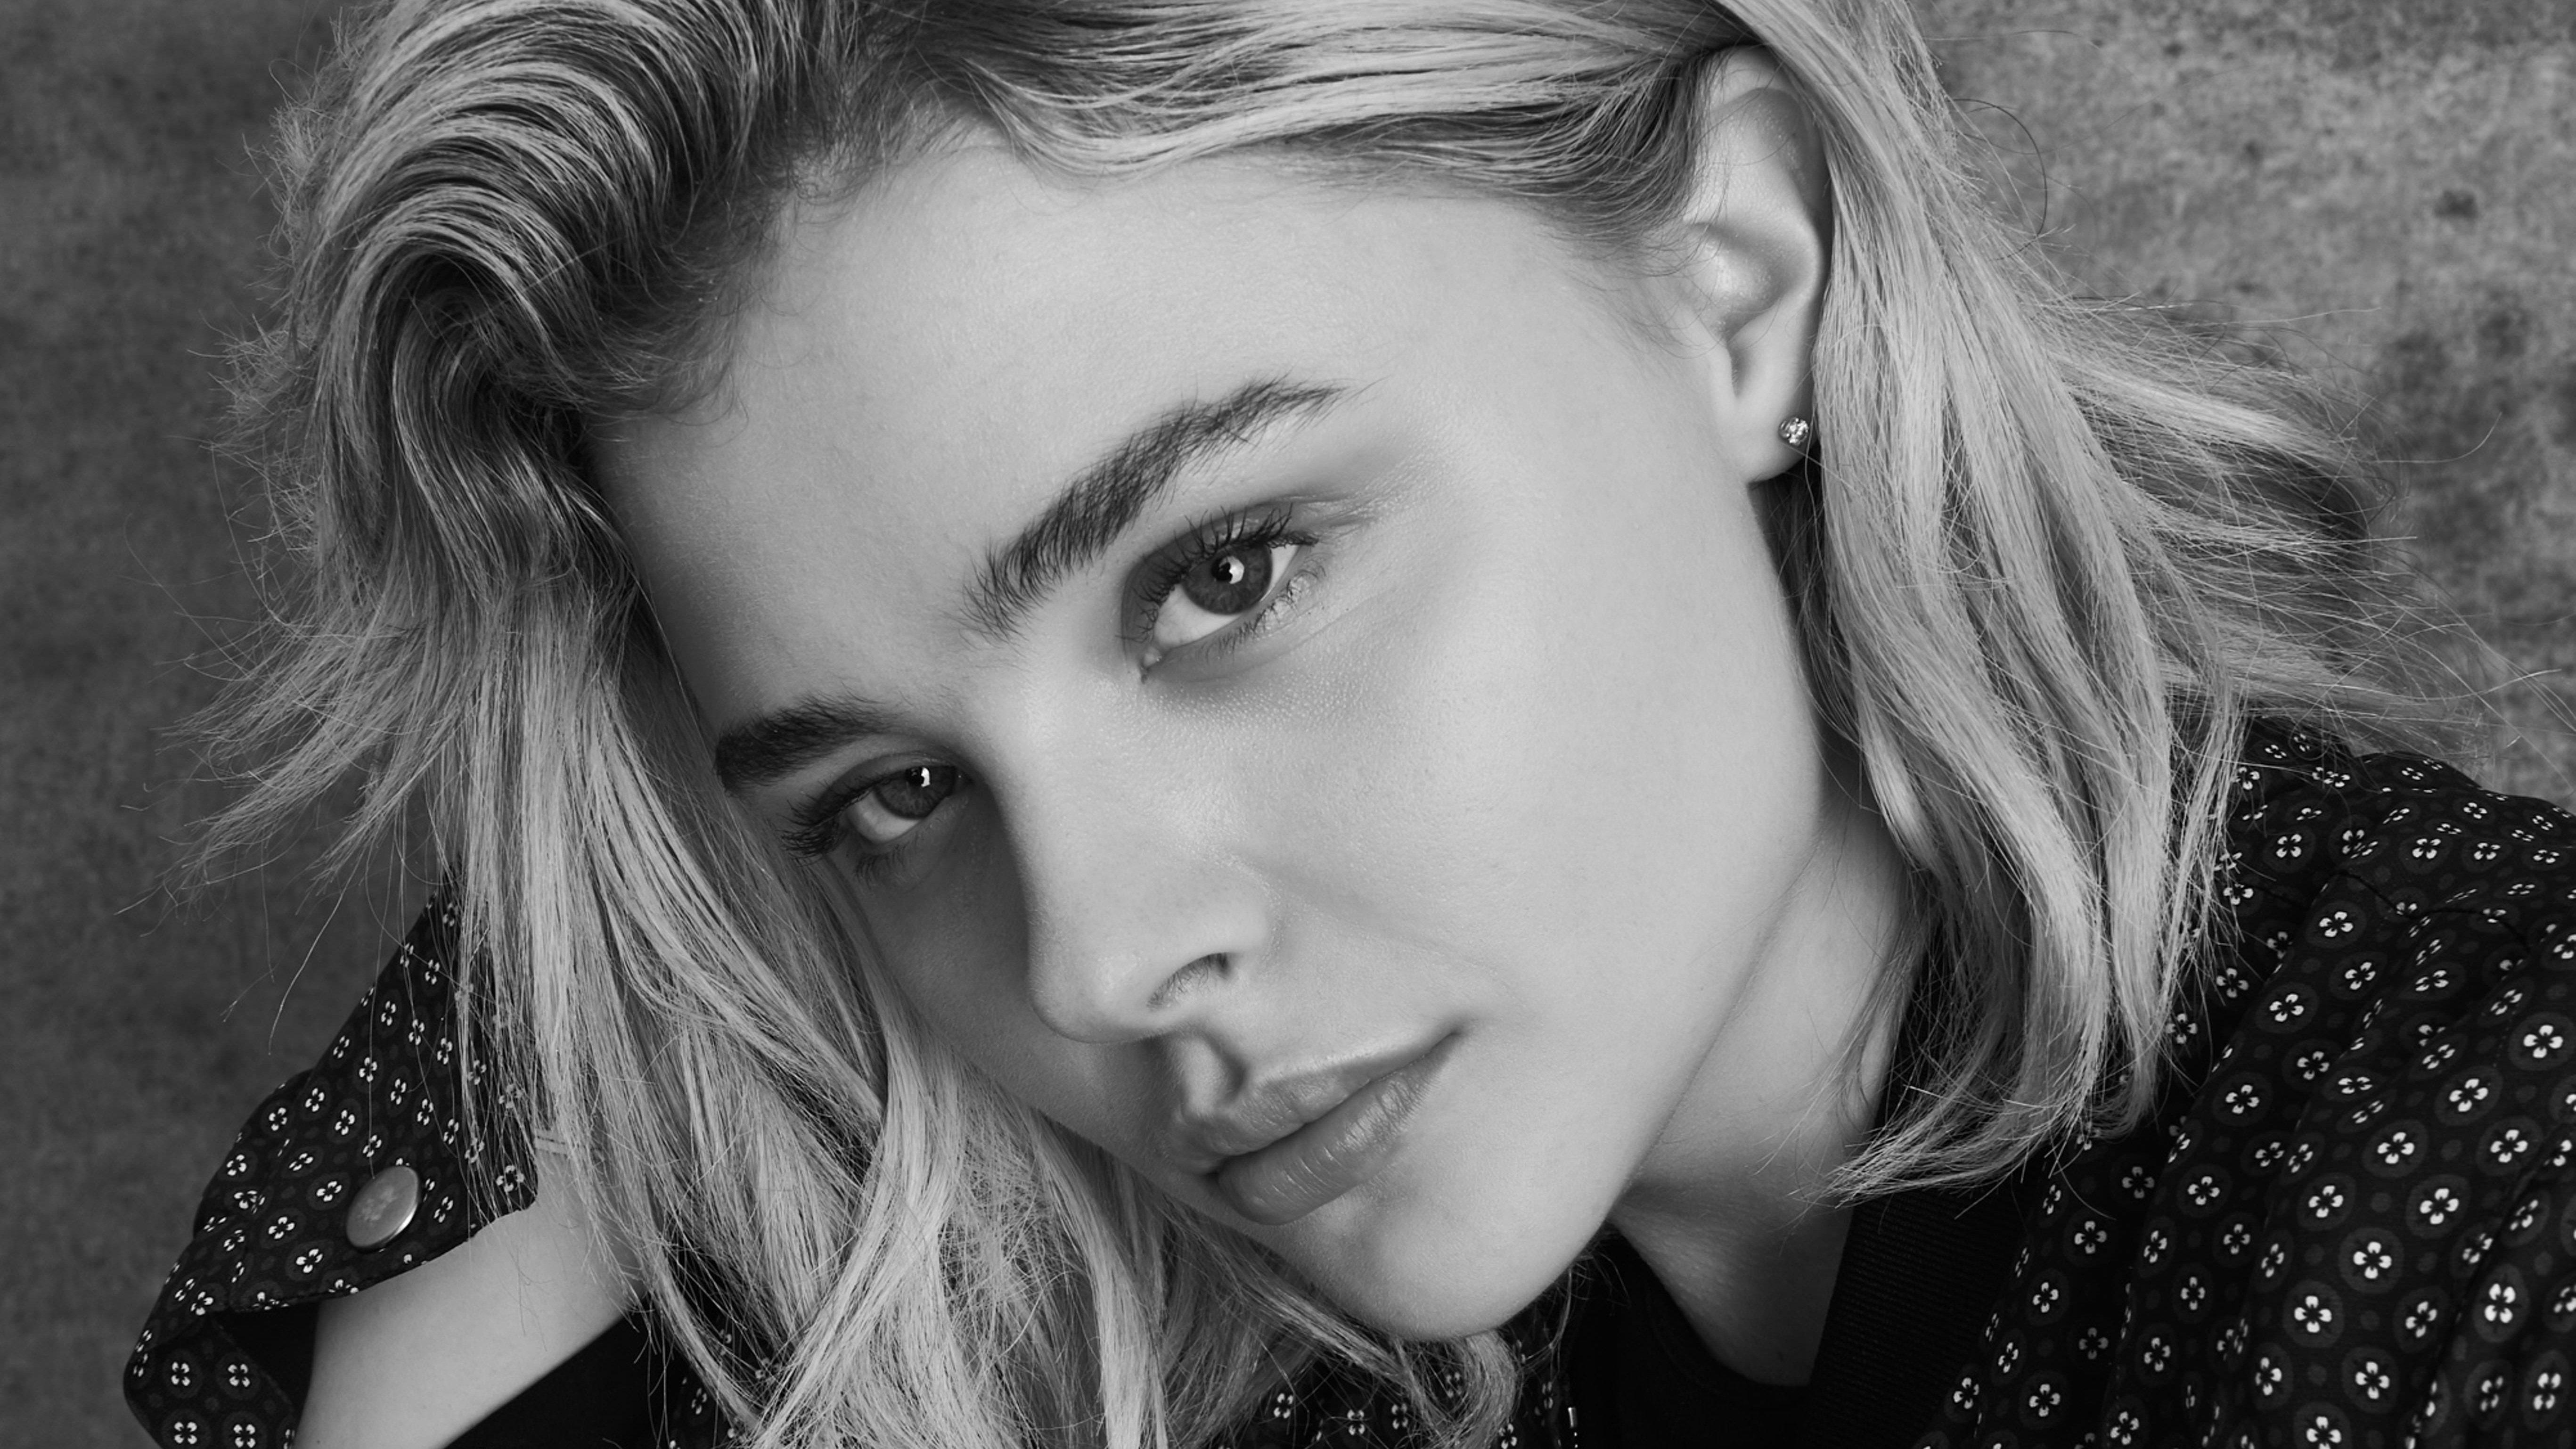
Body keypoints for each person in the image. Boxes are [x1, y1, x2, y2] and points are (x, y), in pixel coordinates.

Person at [121, 0, 2576, 1446]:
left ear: (1740, 283)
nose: (1096, 960)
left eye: (1226, 575)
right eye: (898, 789)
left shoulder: (2483, 1206)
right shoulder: (1264, 1314)